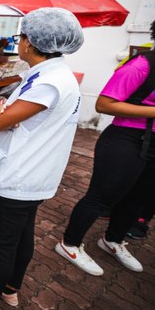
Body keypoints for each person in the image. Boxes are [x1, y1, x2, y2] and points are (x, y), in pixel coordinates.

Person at [0, 8, 84, 310]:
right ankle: (9, 286)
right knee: (23, 234)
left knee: (3, 243)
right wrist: (6, 112)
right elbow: (16, 116)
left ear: (31, 42)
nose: (19, 43)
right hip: (36, 172)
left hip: (21, 174)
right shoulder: (54, 74)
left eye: (21, 37)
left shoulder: (49, 82)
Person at [55, 19, 155, 276]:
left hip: (151, 143)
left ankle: (113, 240)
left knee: (137, 197)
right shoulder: (142, 65)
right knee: (102, 196)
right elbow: (105, 104)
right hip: (126, 138)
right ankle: (70, 243)